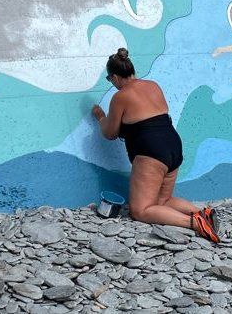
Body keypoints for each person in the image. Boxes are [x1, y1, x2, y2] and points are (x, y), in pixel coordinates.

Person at [91, 49, 220, 243]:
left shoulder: (121, 96)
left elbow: (110, 133)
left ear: (115, 77)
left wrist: (100, 116)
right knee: (162, 201)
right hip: (173, 144)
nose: (112, 83)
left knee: (140, 210)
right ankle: (202, 212)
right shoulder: (153, 85)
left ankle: (195, 223)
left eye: (110, 79)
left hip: (151, 152)